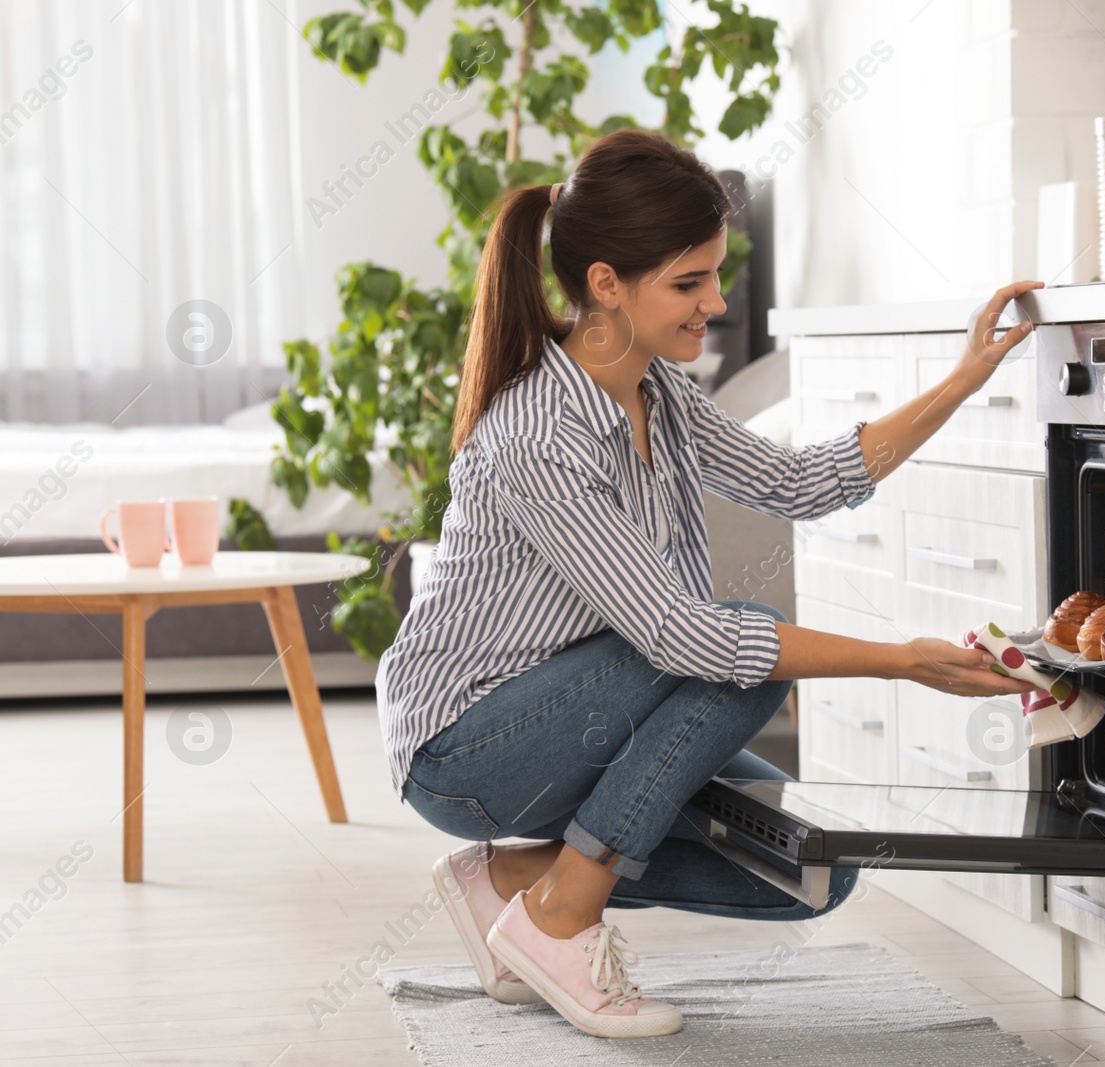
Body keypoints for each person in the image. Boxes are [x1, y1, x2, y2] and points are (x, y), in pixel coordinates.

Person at [375, 128, 1039, 1040]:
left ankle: (521, 880)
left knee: (808, 863)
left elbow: (803, 482)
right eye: (690, 283)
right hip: (467, 749)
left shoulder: (664, 395)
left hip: (586, 717)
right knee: (744, 647)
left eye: (714, 276)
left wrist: (960, 381)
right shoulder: (540, 433)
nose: (716, 304)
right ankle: (560, 917)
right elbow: (689, 641)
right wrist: (899, 661)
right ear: (606, 283)